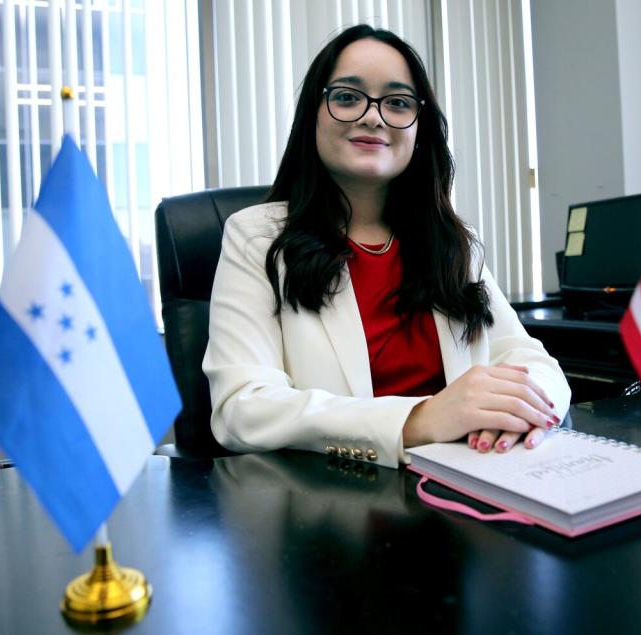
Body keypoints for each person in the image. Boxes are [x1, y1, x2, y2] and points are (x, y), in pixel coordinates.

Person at [204, 24, 571, 469]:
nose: (373, 117)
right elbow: (243, 408)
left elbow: (529, 359)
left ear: (420, 128)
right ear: (312, 114)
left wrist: (521, 410)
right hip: (334, 504)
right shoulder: (258, 238)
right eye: (347, 97)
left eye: (397, 103)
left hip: (470, 485)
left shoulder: (454, 242)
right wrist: (418, 420)